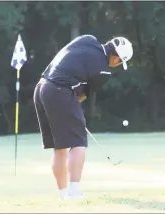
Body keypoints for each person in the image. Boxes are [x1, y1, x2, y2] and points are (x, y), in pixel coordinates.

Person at [33, 35, 133, 199]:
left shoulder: (88, 39)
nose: (117, 65)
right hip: (60, 91)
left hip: (41, 88)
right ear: (116, 58)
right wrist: (69, 107)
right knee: (78, 141)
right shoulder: (104, 71)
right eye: (120, 62)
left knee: (60, 147)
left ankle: (63, 195)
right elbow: (81, 96)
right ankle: (73, 192)